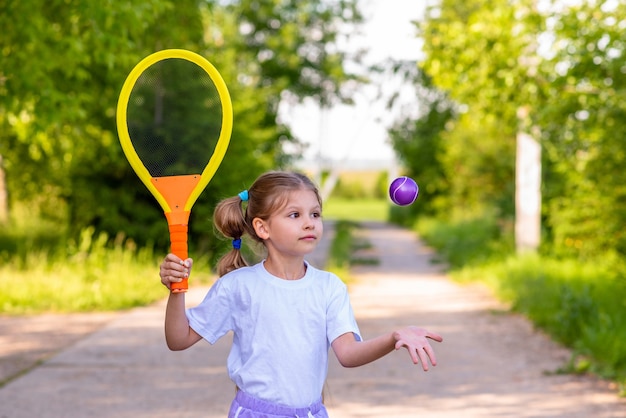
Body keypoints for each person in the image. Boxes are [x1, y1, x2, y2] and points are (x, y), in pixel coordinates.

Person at [159, 170, 443, 418]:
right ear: (262, 227)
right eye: (295, 215)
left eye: (315, 214)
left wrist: (392, 337)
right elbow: (178, 339)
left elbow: (348, 354)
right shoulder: (239, 286)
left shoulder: (329, 287)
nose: (309, 223)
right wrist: (176, 290)